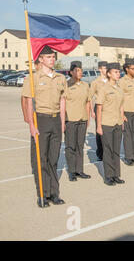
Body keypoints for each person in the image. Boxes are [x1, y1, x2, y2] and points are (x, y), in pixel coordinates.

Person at [22, 46, 67, 208]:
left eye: (53, 57)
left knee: (53, 159)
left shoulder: (60, 78)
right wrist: (31, 126)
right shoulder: (32, 78)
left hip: (55, 121)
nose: (52, 59)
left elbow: (63, 100)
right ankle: (42, 194)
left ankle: (54, 194)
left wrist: (62, 122)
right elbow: (28, 101)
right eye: (48, 57)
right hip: (41, 119)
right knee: (40, 160)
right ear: (40, 59)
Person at [96, 63, 125, 186]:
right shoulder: (104, 89)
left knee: (116, 150)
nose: (118, 74)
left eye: (118, 72)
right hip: (107, 123)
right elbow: (99, 108)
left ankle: (116, 175)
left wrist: (122, 120)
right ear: (108, 74)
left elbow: (121, 105)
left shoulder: (119, 89)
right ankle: (108, 176)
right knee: (108, 150)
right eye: (115, 72)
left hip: (118, 122)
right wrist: (98, 126)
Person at [64, 61, 91, 182]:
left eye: (80, 70)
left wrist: (88, 118)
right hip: (70, 120)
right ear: (71, 72)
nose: (79, 72)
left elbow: (88, 102)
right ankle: (72, 171)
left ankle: (80, 170)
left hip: (82, 119)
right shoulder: (66, 85)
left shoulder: (85, 85)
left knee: (80, 145)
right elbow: (62, 104)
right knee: (71, 146)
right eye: (77, 70)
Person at [119, 59, 134, 166]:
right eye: (133, 69)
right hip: (127, 111)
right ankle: (128, 157)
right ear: (127, 69)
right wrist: (122, 114)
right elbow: (119, 99)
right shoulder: (122, 81)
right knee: (128, 135)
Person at [89, 61, 108, 161]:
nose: (106, 70)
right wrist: (92, 111)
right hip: (99, 108)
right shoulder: (95, 82)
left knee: (108, 130)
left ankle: (108, 152)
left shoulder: (111, 81)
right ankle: (100, 153)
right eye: (104, 68)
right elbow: (90, 97)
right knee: (99, 130)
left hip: (109, 108)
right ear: (100, 69)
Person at [21, 59, 41, 123]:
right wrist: (26, 116)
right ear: (36, 65)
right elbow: (24, 98)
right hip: (36, 114)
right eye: (41, 65)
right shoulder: (30, 78)